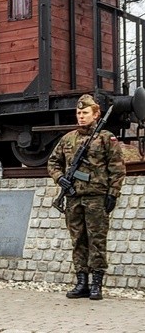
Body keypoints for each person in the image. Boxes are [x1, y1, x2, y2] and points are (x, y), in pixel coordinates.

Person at [47, 94, 126, 300]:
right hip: (74, 198)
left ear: (96, 114)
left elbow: (117, 169)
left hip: (96, 198)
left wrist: (113, 194)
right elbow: (53, 162)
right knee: (78, 241)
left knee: (97, 241)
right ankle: (81, 281)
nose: (81, 117)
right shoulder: (68, 139)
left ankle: (96, 284)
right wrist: (60, 178)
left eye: (85, 113)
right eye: (78, 113)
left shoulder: (106, 138)